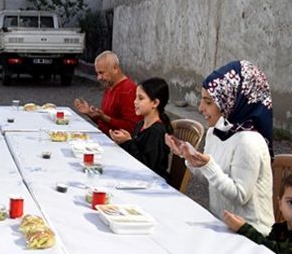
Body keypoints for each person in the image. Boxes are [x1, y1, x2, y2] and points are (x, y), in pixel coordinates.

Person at [166, 60, 275, 235]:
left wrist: (208, 165)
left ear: (232, 100)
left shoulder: (249, 141)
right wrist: (190, 157)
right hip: (221, 224)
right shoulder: (217, 131)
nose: (200, 107)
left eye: (208, 102)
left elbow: (240, 196)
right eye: (202, 100)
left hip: (252, 235)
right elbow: (212, 178)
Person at [109, 77, 173, 180]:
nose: (135, 102)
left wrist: (127, 142)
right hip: (137, 176)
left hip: (152, 181)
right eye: (135, 97)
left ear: (155, 103)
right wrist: (122, 142)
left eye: (140, 98)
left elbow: (146, 166)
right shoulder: (141, 124)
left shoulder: (156, 132)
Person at [74, 51, 141, 134]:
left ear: (115, 68)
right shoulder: (110, 86)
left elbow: (131, 127)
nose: (99, 77)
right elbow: (105, 125)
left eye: (102, 73)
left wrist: (104, 117)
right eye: (97, 73)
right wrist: (89, 113)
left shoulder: (127, 90)